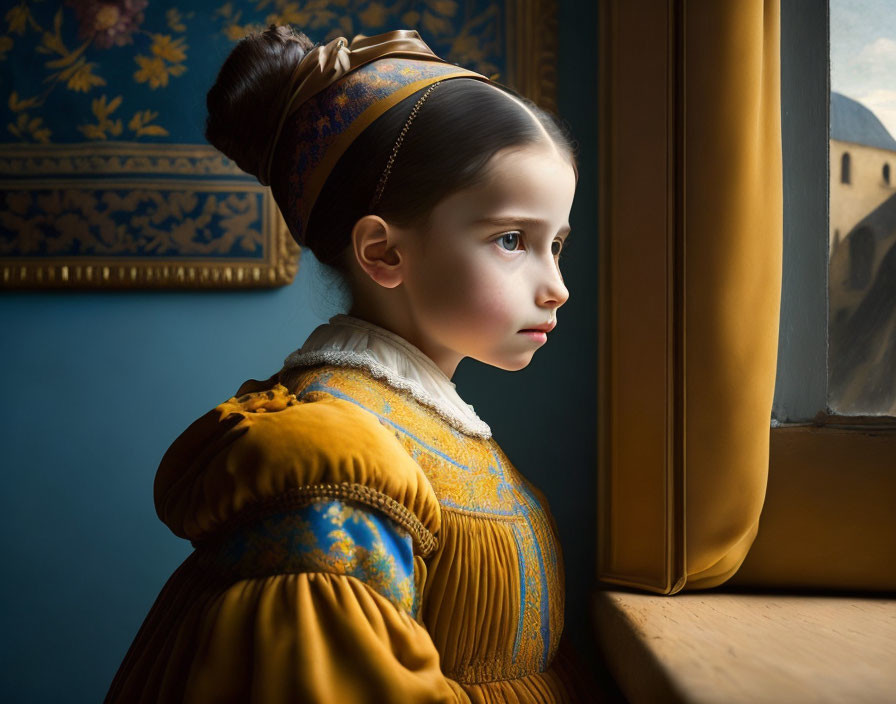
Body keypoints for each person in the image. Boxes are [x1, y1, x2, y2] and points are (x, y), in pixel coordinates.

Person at [105, 25, 589, 703]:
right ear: (383, 253)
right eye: (513, 240)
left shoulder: (432, 426)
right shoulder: (340, 458)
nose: (557, 286)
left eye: (557, 243)